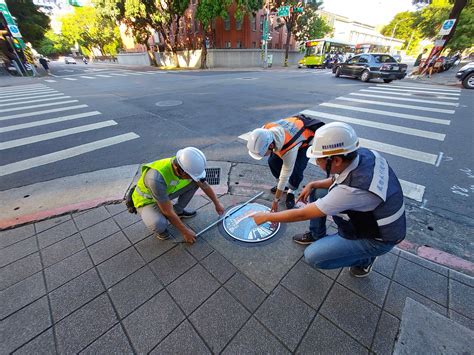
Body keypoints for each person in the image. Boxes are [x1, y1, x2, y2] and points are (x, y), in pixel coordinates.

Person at [252, 122, 406, 277]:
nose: (317, 162)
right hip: (375, 215)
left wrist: (267, 216)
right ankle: (316, 234)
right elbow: (341, 178)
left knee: (314, 256)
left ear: (337, 160)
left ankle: (365, 260)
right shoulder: (365, 154)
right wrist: (313, 184)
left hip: (379, 237)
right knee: (318, 191)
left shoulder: (350, 191)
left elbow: (302, 214)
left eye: (319, 159)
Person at [131, 147, 225, 244]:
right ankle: (161, 230)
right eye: (189, 175)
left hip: (165, 193)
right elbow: (167, 210)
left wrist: (217, 203)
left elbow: (203, 184)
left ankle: (178, 211)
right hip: (147, 200)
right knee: (158, 224)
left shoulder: (184, 163)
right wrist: (185, 232)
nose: (191, 178)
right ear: (179, 169)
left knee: (195, 183)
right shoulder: (156, 179)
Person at [246, 115, 324, 211]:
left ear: (271, 145)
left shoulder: (289, 149)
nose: (263, 156)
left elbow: (285, 175)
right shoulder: (264, 131)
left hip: (305, 141)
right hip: (290, 134)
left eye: (263, 153)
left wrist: (276, 200)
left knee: (297, 170)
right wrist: (281, 186)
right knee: (272, 161)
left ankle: (291, 191)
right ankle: (283, 187)